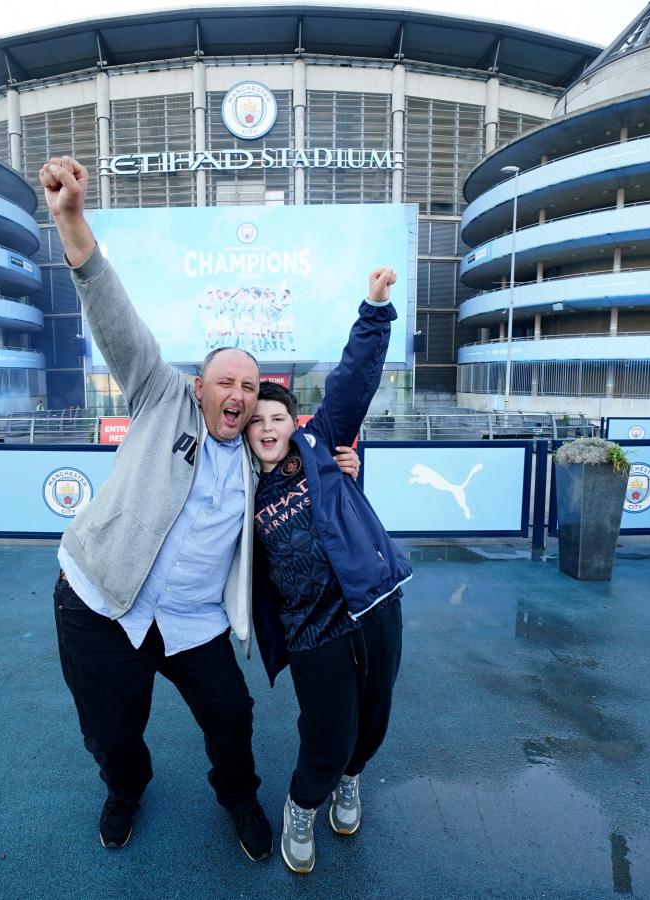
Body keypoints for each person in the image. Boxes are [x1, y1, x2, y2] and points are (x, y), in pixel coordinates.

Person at [40, 156, 360, 859]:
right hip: (100, 601)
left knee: (231, 713)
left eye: (249, 384)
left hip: (192, 620)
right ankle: (125, 788)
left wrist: (342, 470)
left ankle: (237, 798)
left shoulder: (260, 453)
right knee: (112, 727)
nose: (238, 393)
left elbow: (313, 489)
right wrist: (70, 218)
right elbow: (113, 313)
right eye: (225, 380)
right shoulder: (159, 395)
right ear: (199, 386)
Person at [244, 266, 412, 874]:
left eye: (277, 418)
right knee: (328, 732)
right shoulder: (237, 488)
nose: (267, 428)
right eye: (257, 421)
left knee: (373, 720)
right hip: (312, 629)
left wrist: (374, 309)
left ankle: (351, 779)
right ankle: (302, 803)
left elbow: (351, 381)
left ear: (294, 426)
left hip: (372, 604)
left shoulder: (323, 451)